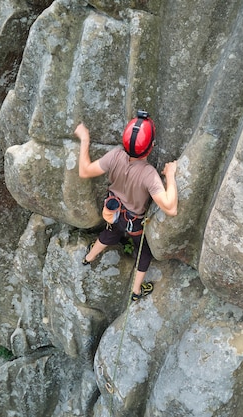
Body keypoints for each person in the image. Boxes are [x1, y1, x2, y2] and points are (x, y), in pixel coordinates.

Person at [74, 111, 178, 301]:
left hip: (113, 210)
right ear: (150, 148)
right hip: (133, 221)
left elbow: (85, 170)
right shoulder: (149, 174)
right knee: (143, 253)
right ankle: (136, 291)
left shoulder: (115, 155)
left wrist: (85, 139)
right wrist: (170, 175)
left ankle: (88, 258)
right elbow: (171, 208)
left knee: (110, 233)